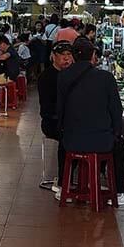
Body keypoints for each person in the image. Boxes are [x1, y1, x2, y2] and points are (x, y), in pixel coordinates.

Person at [57, 37, 124, 206]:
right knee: (121, 146)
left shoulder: (63, 77)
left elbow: (60, 110)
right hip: (102, 142)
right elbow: (116, 110)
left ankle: (64, 188)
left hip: (71, 141)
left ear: (73, 56)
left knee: (63, 145)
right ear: (93, 56)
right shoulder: (106, 78)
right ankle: (119, 192)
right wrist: (116, 134)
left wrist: (63, 132)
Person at [39, 40, 75, 195]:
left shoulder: (73, 75)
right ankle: (63, 181)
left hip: (72, 121)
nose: (66, 58)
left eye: (69, 55)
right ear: (53, 56)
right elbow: (47, 108)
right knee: (67, 137)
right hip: (52, 122)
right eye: (62, 55)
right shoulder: (46, 77)